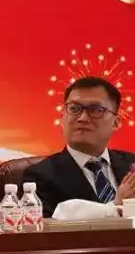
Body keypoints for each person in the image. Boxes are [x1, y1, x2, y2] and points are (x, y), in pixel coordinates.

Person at [23, 76, 135, 218]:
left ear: (116, 122)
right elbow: (44, 229)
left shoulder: (132, 165)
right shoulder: (39, 176)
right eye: (74, 109)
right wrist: (116, 208)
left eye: (96, 110)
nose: (83, 118)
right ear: (62, 118)